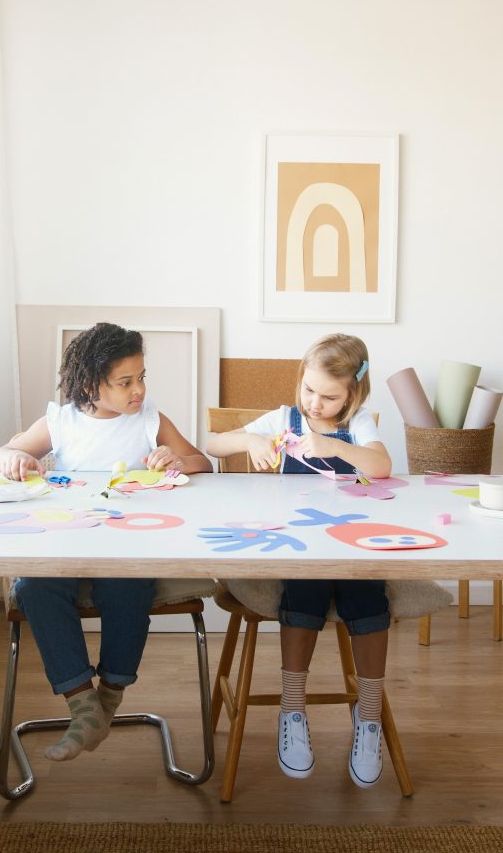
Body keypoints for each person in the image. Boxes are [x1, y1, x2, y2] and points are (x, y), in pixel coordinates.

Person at [0, 321, 212, 762]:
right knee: (34, 587)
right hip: (69, 541)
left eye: (142, 377)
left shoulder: (151, 421)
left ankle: (109, 696)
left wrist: (175, 458)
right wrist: (13, 456)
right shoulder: (61, 420)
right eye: (125, 382)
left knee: (129, 585)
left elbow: (201, 462)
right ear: (91, 384)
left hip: (128, 546)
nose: (139, 390)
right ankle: (82, 702)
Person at [207, 333, 391, 789]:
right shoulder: (285, 421)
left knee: (367, 592)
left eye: (330, 396)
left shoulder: (359, 423)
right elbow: (211, 443)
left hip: (350, 545)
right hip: (299, 545)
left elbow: (382, 466)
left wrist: (341, 448)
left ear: (354, 393)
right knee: (305, 591)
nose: (315, 403)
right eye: (308, 390)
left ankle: (368, 716)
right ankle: (293, 707)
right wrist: (250, 438)